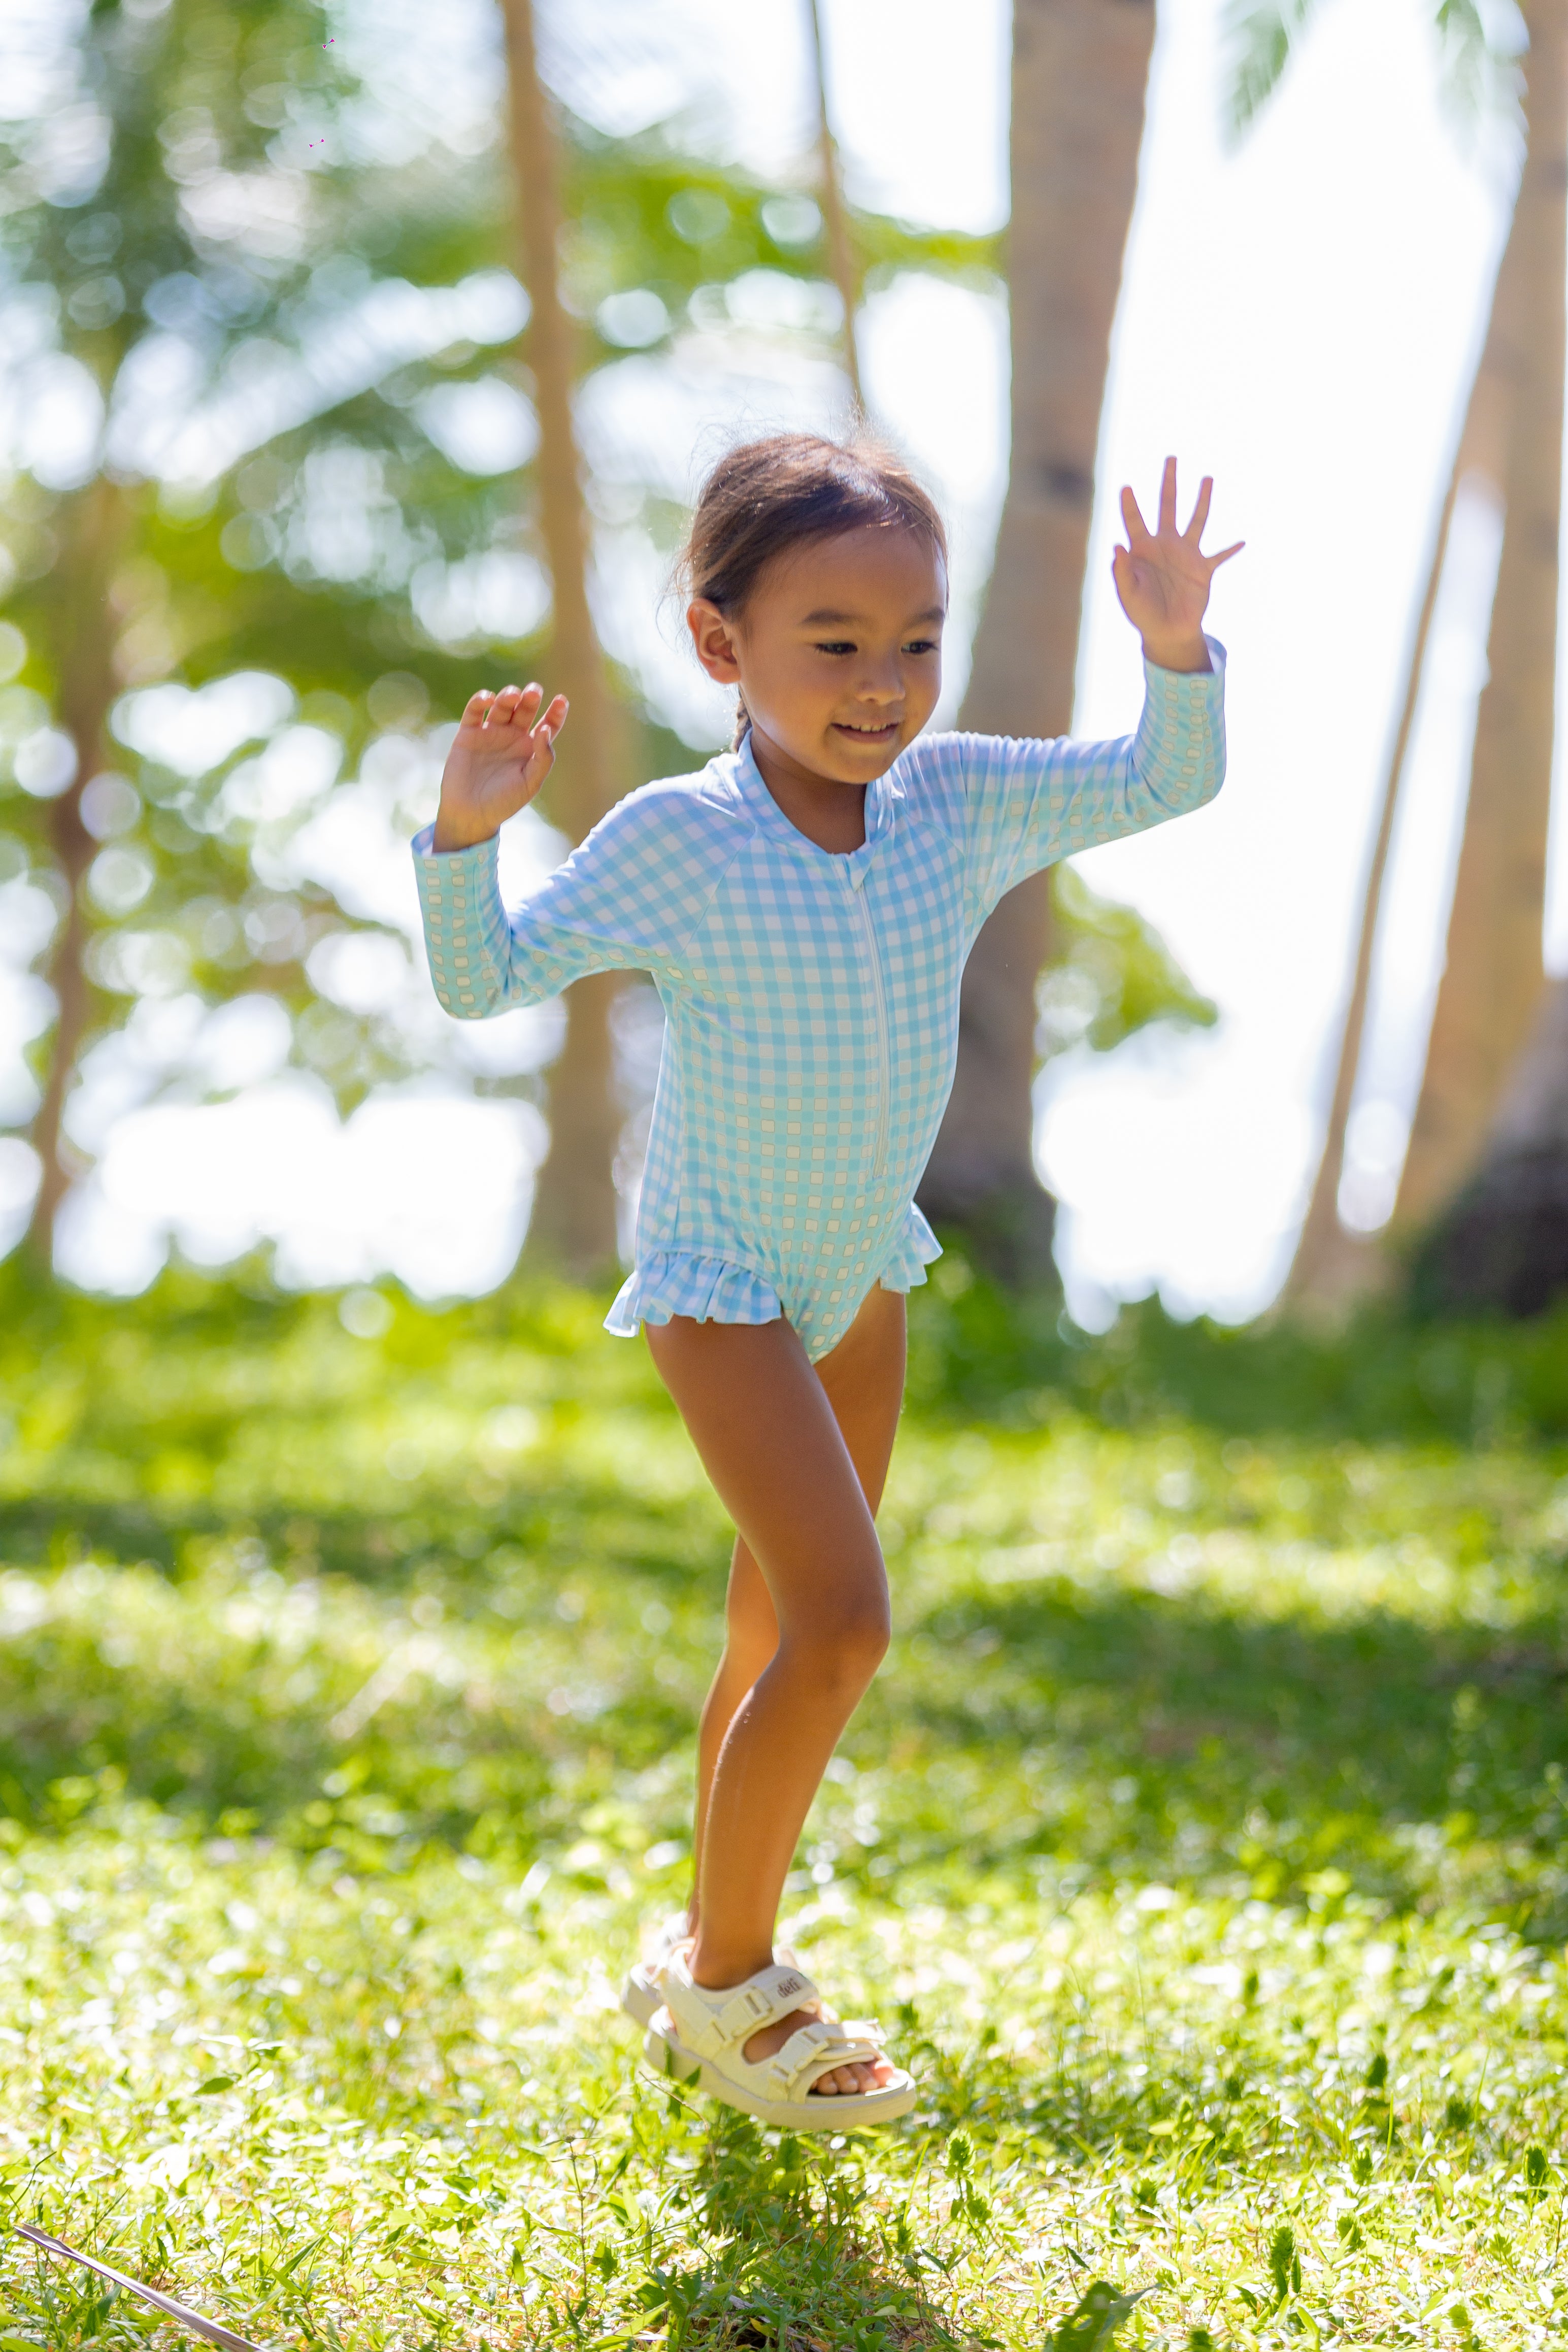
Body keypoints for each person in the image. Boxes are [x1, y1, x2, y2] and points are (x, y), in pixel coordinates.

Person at [411, 433, 1239, 2129]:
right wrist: (459, 830)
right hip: (720, 1283)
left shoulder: (957, 799)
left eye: (916, 639)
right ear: (722, 646)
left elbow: (1166, 782)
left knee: (772, 1627)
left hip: (862, 1274)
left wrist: (1172, 653)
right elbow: (487, 980)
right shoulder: (679, 839)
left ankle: (691, 1956)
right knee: (847, 1623)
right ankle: (733, 1983)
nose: (885, 685)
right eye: (835, 642)